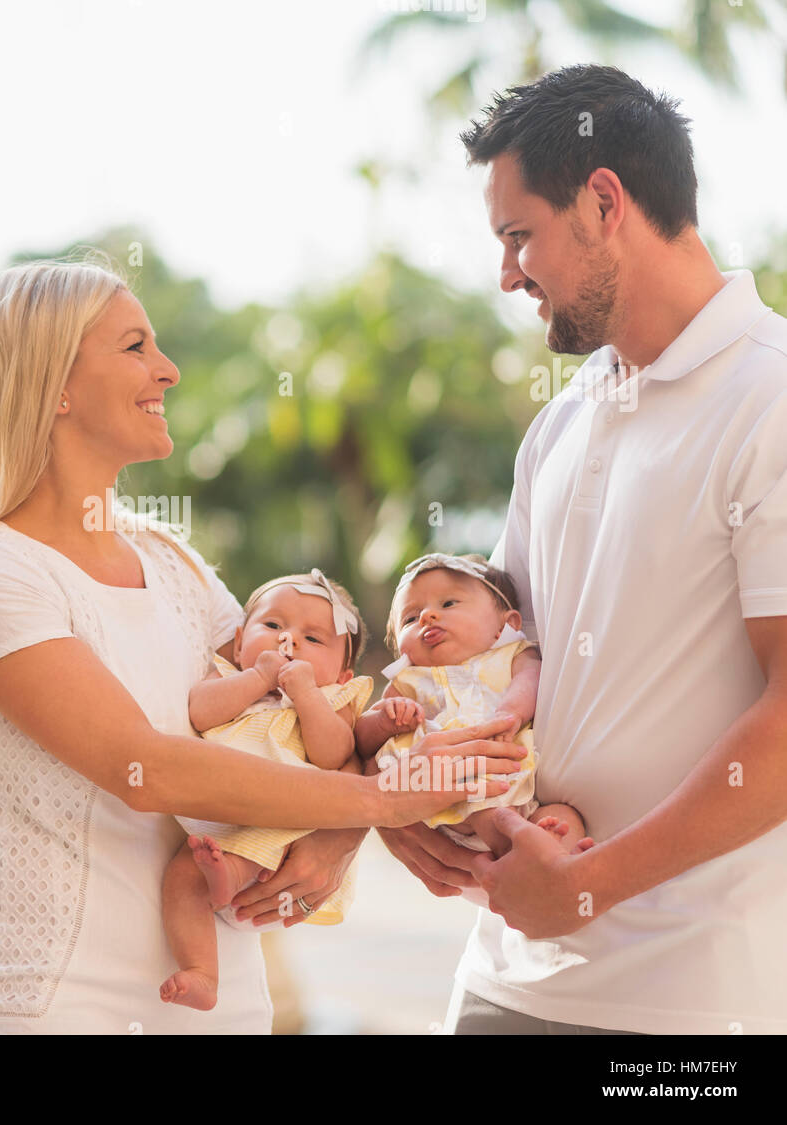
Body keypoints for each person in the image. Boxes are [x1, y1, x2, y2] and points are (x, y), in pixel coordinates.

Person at [0, 256, 526, 1033]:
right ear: (54, 383)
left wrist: (342, 833)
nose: (170, 369)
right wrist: (382, 801)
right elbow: (145, 768)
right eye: (134, 347)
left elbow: (310, 694)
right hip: (64, 1007)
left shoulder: (171, 563)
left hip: (230, 1008)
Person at [377, 64, 787, 1035]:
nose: (506, 274)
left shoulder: (772, 401)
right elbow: (495, 660)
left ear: (603, 200)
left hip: (691, 1006)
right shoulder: (556, 427)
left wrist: (591, 886)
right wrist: (400, 806)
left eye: (519, 237)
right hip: (502, 977)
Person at [161, 568, 412, 1010]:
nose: (288, 642)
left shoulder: (334, 700)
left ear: (341, 672)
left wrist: (307, 696)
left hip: (288, 825)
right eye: (272, 626)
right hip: (218, 821)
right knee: (181, 878)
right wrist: (257, 679)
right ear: (239, 642)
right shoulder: (226, 678)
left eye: (313, 639)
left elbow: (333, 756)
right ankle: (202, 970)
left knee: (237, 858)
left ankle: (229, 877)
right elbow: (199, 714)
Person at [369, 553, 592, 872]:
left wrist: (510, 712)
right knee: (487, 805)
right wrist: (384, 719)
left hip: (518, 787)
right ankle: (522, 856)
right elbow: (364, 734)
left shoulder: (511, 655)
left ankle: (562, 858)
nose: (427, 616)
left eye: (448, 604)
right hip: (454, 800)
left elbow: (530, 678)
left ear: (507, 624)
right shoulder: (411, 681)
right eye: (409, 618)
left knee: (564, 816)